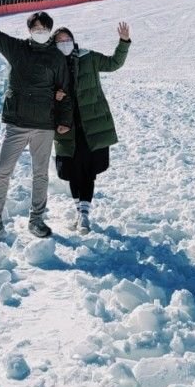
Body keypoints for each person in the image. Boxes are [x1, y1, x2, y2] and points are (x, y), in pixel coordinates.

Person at [0, 0, 73, 239]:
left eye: (44, 28)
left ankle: (36, 220)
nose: (40, 31)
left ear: (49, 30)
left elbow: (64, 91)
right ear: (29, 29)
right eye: (36, 27)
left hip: (44, 125)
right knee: (3, 170)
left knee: (40, 174)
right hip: (17, 123)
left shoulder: (57, 58)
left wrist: (64, 120)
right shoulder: (16, 49)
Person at [52, 22, 131, 234]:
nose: (64, 44)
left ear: (73, 40)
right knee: (71, 171)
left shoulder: (89, 57)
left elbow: (114, 63)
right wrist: (54, 95)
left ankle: (84, 215)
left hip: (91, 124)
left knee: (87, 171)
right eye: (59, 41)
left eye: (67, 39)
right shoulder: (51, 67)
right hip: (65, 128)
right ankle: (80, 212)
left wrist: (123, 42)